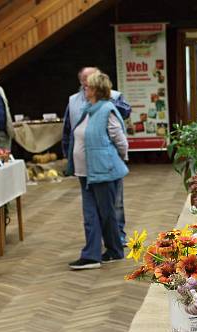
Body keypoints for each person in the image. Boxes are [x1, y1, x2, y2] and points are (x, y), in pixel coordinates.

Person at [67, 71, 129, 270]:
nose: (85, 89)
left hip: (103, 171)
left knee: (106, 213)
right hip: (85, 172)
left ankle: (112, 251)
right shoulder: (89, 109)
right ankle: (94, 254)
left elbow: (120, 140)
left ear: (97, 90)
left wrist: (116, 159)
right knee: (92, 214)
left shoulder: (107, 109)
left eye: (89, 87)